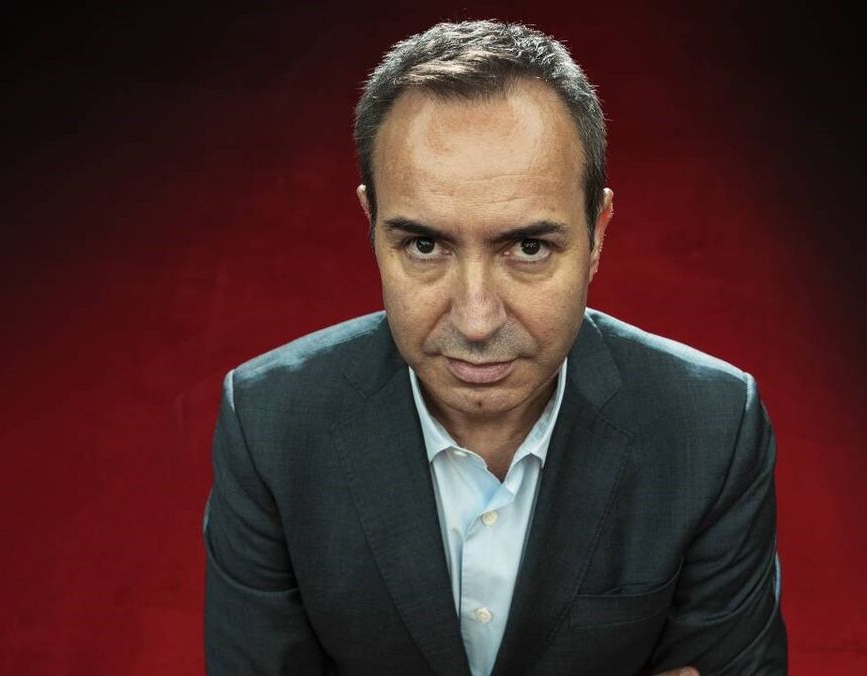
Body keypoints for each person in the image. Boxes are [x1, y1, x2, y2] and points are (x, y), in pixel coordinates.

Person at [203, 19, 787, 675]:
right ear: (371, 226)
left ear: (597, 234)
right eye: (425, 245)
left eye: (528, 247)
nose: (477, 320)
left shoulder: (712, 428)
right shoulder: (269, 426)